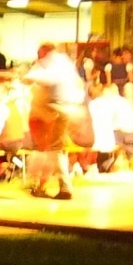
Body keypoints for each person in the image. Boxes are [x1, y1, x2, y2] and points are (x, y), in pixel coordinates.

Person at [22, 43, 85, 200]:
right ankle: (55, 186)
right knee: (56, 148)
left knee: (54, 149)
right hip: (66, 108)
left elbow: (48, 78)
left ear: (45, 52)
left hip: (58, 108)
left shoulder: (54, 62)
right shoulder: (65, 62)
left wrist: (28, 77)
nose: (39, 57)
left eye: (40, 53)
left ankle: (64, 187)